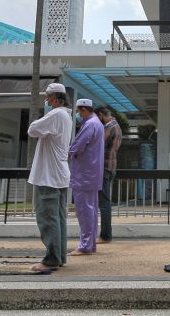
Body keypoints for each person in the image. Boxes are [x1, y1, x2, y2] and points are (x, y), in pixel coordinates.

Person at [27, 83, 74, 272]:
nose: (46, 101)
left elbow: (32, 129)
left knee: (48, 218)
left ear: (55, 98)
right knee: (58, 218)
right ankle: (59, 256)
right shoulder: (66, 116)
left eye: (47, 97)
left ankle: (52, 258)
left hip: (49, 175)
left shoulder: (56, 114)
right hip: (58, 174)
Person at [68, 98, 105, 256]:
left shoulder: (89, 124)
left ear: (83, 110)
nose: (77, 114)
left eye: (78, 111)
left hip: (84, 174)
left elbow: (78, 146)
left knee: (84, 211)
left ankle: (85, 246)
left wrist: (67, 153)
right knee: (91, 210)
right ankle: (89, 244)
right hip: (91, 174)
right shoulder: (97, 123)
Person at [95, 106, 122, 244]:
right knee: (105, 201)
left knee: (104, 203)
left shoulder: (108, 127)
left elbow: (99, 145)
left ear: (101, 115)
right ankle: (105, 235)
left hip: (104, 167)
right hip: (111, 167)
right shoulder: (117, 125)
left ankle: (105, 236)